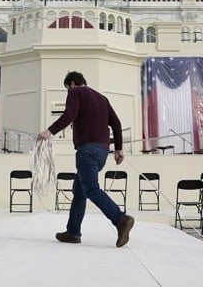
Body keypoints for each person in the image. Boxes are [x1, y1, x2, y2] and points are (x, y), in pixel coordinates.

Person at [38, 71, 134, 247]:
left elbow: (70, 114)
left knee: (90, 188)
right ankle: (73, 232)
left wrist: (49, 132)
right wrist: (119, 149)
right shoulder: (102, 98)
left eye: (67, 88)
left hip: (87, 150)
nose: (68, 92)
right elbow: (117, 124)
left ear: (72, 84)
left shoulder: (75, 92)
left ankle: (120, 219)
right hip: (103, 152)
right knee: (80, 190)